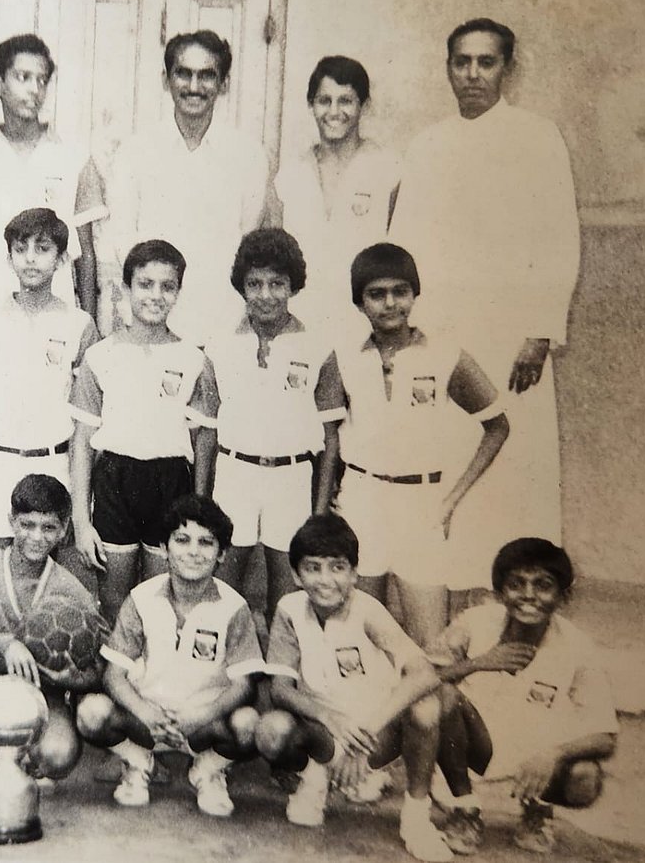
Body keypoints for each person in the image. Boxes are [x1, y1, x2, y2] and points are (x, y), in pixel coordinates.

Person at [389, 18, 580, 590]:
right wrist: (407, 331)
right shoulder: (427, 145)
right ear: (448, 68)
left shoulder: (538, 137)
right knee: (444, 454)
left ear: (507, 69)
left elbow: (558, 238)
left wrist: (540, 332)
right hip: (442, 331)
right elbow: (403, 246)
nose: (473, 74)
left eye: (486, 62)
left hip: (509, 337)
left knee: (512, 458)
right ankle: (444, 584)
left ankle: (518, 590)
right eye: (462, 62)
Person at [316, 243, 510, 647]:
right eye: (376, 294)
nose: (390, 303)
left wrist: (451, 500)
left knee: (430, 639)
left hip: (421, 503)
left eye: (400, 291)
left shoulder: (446, 355)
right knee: (358, 633)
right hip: (361, 501)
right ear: (359, 303)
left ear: (415, 294)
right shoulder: (342, 359)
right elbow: (329, 440)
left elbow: (497, 427)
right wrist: (323, 516)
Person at [255, 514, 452, 862]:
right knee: (271, 729)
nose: (325, 580)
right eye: (313, 568)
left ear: (354, 574)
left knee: (426, 708)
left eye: (337, 567)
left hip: (374, 732)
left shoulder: (368, 611)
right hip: (326, 730)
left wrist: (365, 735)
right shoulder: (289, 609)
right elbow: (281, 689)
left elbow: (424, 674)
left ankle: (416, 818)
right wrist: (328, 717)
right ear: (296, 576)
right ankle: (316, 777)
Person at [75, 495, 262, 818]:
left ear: (222, 554)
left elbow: (244, 684)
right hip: (148, 722)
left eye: (206, 543)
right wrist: (145, 713)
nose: (193, 551)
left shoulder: (234, 607)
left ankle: (209, 770)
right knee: (91, 713)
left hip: (203, 723)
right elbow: (114, 674)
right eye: (182, 540)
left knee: (249, 724)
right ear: (164, 548)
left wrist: (200, 715)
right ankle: (138, 762)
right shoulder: (141, 598)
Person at [429, 538, 618, 856]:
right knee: (445, 697)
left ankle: (536, 812)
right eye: (516, 584)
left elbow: (605, 736)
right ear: (500, 592)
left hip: (531, 759)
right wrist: (479, 663)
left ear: (563, 596)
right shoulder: (474, 624)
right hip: (468, 752)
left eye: (543, 585)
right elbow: (421, 678)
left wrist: (553, 755)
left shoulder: (578, 648)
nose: (529, 595)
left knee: (585, 778)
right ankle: (464, 811)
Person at [69, 240, 218, 623]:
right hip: (115, 479)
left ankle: (156, 660)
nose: (156, 295)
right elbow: (82, 442)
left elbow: (204, 443)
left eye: (167, 287)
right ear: (126, 288)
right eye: (145, 284)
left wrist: (199, 511)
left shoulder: (194, 360)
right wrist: (82, 521)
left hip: (170, 482)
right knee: (113, 597)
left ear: (179, 292)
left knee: (161, 597)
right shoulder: (100, 356)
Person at [0, 474, 102, 814]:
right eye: (27, 525)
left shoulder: (70, 588)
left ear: (64, 531)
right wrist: (5, 644)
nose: (36, 537)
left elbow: (96, 669)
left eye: (49, 528)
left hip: (40, 694)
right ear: (11, 521)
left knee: (58, 757)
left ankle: (16, 760)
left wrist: (69, 679)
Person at [202, 228, 335, 630]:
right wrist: (201, 500)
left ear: (293, 285)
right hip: (235, 473)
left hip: (291, 476)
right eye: (254, 284)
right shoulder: (219, 344)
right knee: (223, 585)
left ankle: (280, 664)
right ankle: (226, 659)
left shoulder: (318, 346)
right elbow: (207, 432)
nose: (265, 295)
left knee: (288, 594)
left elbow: (330, 439)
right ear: (241, 286)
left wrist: (319, 514)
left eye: (277, 284)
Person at [105, 30, 271, 344]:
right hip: (152, 324)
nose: (194, 87)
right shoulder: (135, 152)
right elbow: (124, 240)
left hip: (224, 327)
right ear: (166, 79)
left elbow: (248, 241)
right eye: (184, 74)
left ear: (224, 84)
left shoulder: (248, 156)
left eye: (207, 75)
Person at [0, 208, 100, 551]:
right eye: (21, 250)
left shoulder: (79, 324)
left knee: (47, 577)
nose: (31, 258)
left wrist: (80, 502)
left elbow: (86, 423)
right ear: (9, 259)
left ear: (61, 259)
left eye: (43, 248)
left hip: (54, 464)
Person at [0, 34, 105, 326]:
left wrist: (89, 328)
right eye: (23, 77)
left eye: (42, 80)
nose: (35, 89)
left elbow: (86, 255)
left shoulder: (75, 157)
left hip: (55, 312)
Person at [271, 56, 400, 339]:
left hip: (365, 327)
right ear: (311, 105)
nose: (334, 111)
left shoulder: (388, 170)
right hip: (300, 325)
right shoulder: (290, 174)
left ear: (364, 106)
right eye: (324, 101)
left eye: (345, 101)